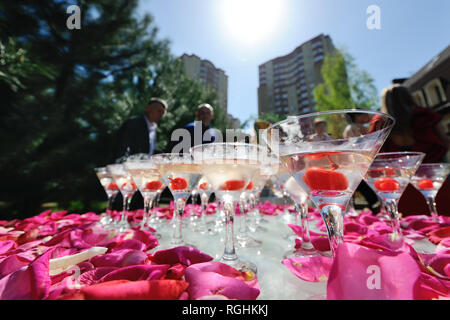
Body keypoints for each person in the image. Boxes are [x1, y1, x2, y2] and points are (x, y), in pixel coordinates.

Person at [369, 84, 450, 216]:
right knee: (442, 221)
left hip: (398, 186)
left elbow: (373, 155)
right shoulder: (425, 115)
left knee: (408, 229)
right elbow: (445, 142)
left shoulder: (381, 122)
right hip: (432, 180)